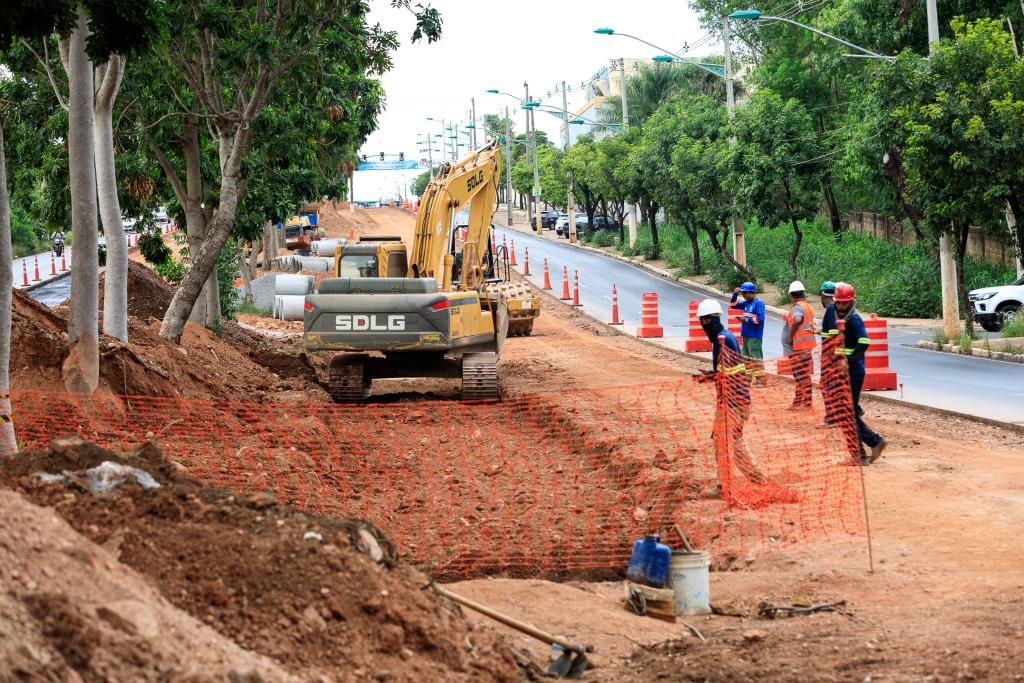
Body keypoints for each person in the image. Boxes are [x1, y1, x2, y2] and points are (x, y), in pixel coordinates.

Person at [694, 299, 766, 498]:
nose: (703, 324)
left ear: (710, 320)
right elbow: (725, 371)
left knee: (727, 442)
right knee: (727, 440)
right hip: (732, 401)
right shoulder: (723, 337)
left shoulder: (722, 340)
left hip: (733, 402)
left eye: (705, 320)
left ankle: (729, 486)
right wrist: (710, 375)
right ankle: (752, 480)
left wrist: (709, 377)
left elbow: (728, 375)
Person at [828, 283, 888, 465]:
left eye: (843, 304)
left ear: (851, 302)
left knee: (846, 412)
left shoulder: (853, 319)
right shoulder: (837, 316)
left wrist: (850, 359)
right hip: (841, 370)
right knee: (848, 411)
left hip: (853, 371)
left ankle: (859, 453)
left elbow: (864, 341)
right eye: (838, 303)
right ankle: (874, 442)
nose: (840, 307)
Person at [782, 281, 816, 409]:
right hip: (805, 346)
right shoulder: (806, 306)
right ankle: (798, 402)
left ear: (791, 295)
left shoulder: (797, 307)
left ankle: (806, 402)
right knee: (801, 375)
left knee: (801, 375)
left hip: (799, 347)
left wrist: (790, 337)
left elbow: (797, 320)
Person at [729, 282, 766, 378]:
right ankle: (747, 378)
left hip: (754, 335)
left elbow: (760, 318)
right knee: (746, 357)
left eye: (744, 293)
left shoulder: (759, 303)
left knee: (755, 357)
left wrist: (746, 320)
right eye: (742, 294)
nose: (744, 296)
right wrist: (735, 294)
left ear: (750, 292)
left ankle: (760, 379)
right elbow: (733, 305)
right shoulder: (746, 303)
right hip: (746, 334)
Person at [817, 281, 840, 427]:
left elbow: (832, 334)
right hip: (837, 353)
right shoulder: (838, 308)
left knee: (827, 385)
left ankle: (831, 417)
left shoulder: (831, 309)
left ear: (822, 295)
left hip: (831, 354)